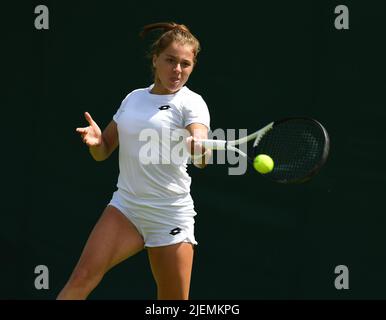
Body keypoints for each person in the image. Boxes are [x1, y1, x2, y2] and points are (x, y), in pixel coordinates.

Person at [57, 22, 211, 300]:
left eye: (185, 64)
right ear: (155, 60)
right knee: (81, 277)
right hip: (126, 207)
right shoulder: (133, 98)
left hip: (169, 214)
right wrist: (96, 142)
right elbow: (104, 151)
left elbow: (201, 156)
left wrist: (198, 146)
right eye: (170, 61)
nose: (177, 70)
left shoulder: (193, 103)